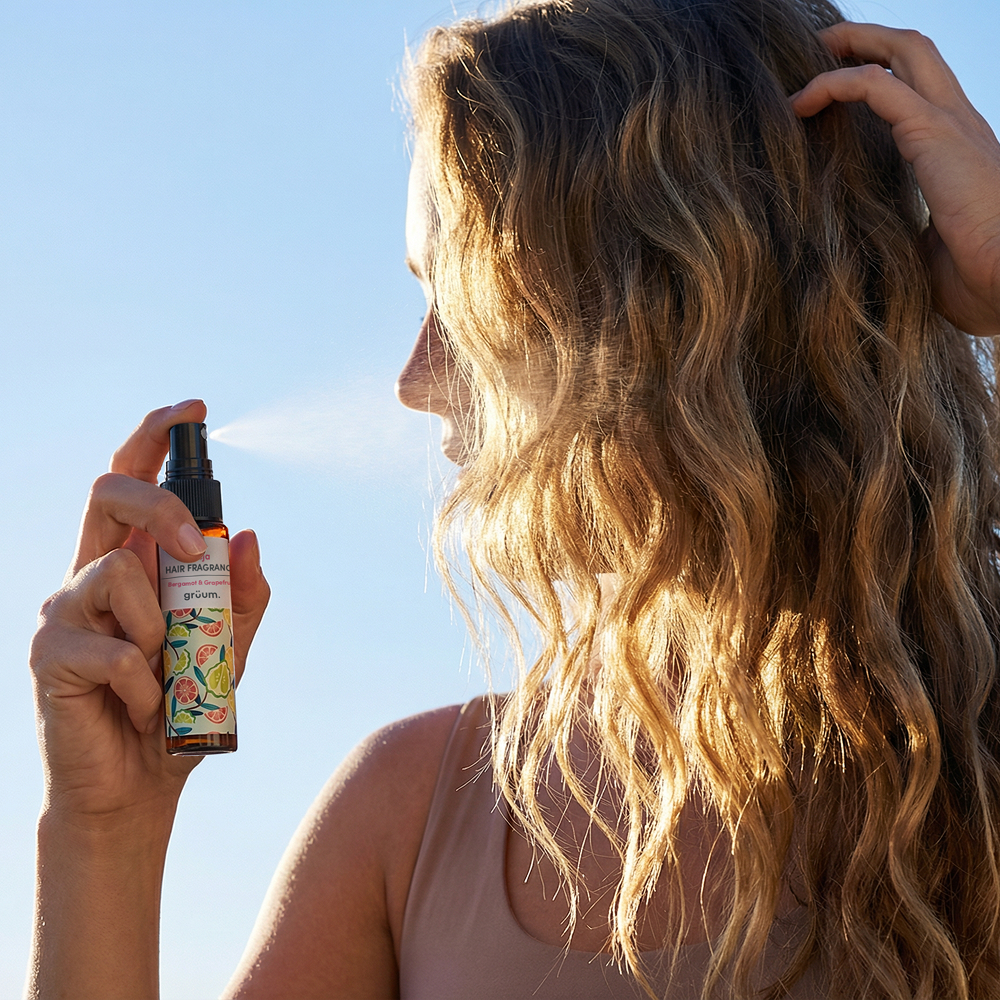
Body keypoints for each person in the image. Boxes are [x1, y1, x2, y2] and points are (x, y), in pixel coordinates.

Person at [25, 0, 1000, 997]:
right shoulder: (407, 812)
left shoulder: (970, 769)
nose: (411, 377)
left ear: (661, 304)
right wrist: (105, 828)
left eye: (463, 302)